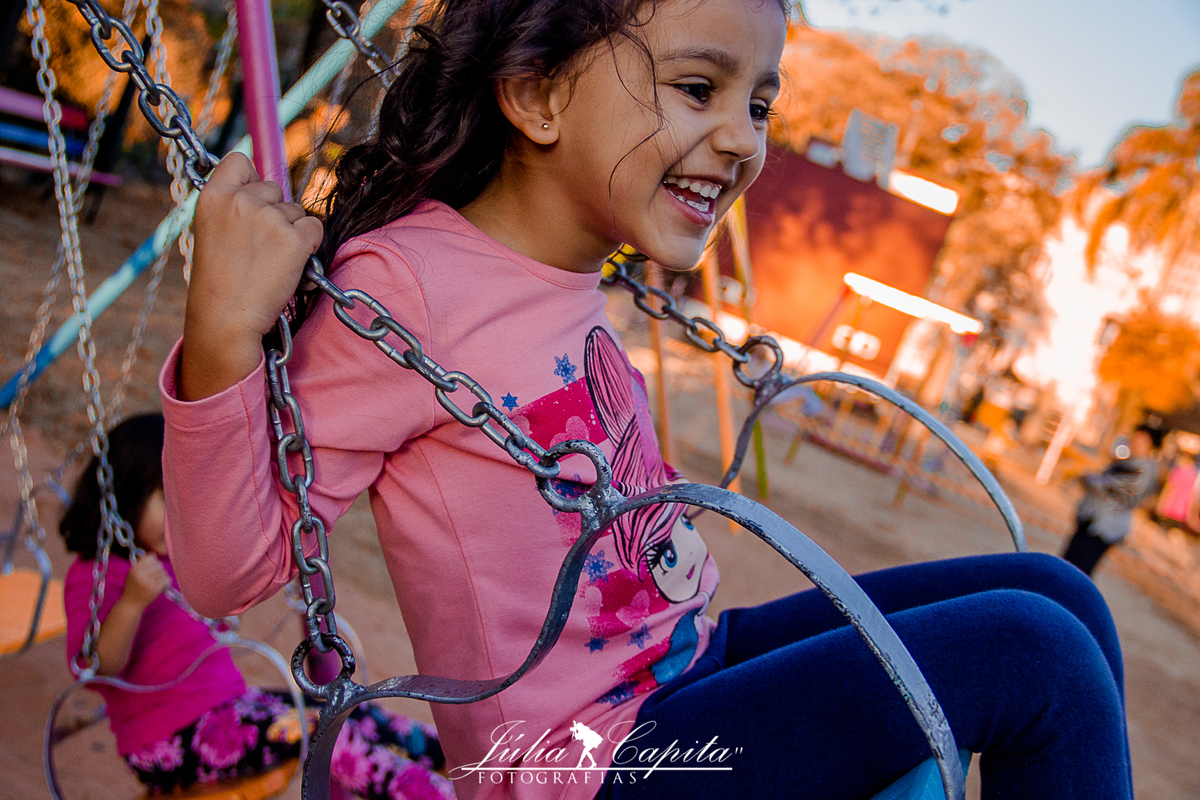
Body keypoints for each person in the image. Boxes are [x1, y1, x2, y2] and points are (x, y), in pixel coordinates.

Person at [161, 0, 1133, 797]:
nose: (742, 140)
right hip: (588, 761)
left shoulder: (583, 267)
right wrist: (220, 341)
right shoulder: (405, 286)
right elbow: (223, 573)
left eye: (758, 104)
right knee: (1031, 652)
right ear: (538, 95)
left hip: (691, 660)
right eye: (700, 88)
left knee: (1060, 591)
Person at [60, 414, 454, 798]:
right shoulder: (95, 575)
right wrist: (131, 603)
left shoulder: (171, 561)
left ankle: (462, 762)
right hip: (169, 742)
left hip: (230, 710)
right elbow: (97, 670)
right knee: (326, 732)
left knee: (348, 710)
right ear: (126, 492)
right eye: (168, 499)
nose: (182, 515)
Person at [1061, 424, 1164, 577]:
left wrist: (1092, 480)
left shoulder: (1144, 468)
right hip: (1096, 521)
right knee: (1069, 567)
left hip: (1104, 527)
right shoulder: (1132, 462)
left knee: (1077, 573)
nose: (1132, 439)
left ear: (1148, 442)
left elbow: (1120, 490)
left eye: (1139, 436)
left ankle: (1064, 600)